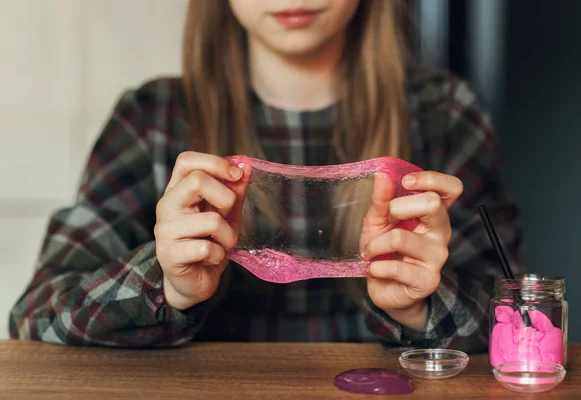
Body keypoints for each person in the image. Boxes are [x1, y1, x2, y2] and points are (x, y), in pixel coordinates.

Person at [9, 0, 523, 350]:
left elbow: (525, 327)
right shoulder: (152, 118)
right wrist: (168, 285)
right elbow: (33, 318)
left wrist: (419, 304)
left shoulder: (445, 114)